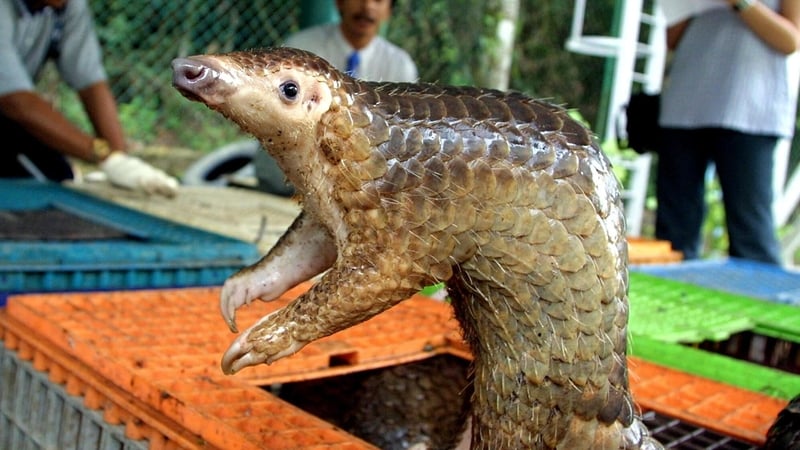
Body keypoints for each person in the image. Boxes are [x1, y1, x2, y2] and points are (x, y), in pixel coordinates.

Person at [656, 0, 800, 265]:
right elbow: (673, 39)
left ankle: (759, 300)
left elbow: (791, 40)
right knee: (673, 232)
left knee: (750, 229)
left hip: (750, 110)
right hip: (686, 103)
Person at [0, 0, 179, 197]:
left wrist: (121, 162)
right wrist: (105, 155)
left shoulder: (67, 7)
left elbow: (90, 83)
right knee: (35, 186)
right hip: (8, 113)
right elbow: (14, 101)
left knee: (59, 176)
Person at [254, 0, 418, 196]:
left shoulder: (400, 67)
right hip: (284, 183)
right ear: (339, 3)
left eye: (378, 0)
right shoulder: (300, 48)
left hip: (358, 196)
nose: (367, 7)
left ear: (388, 11)